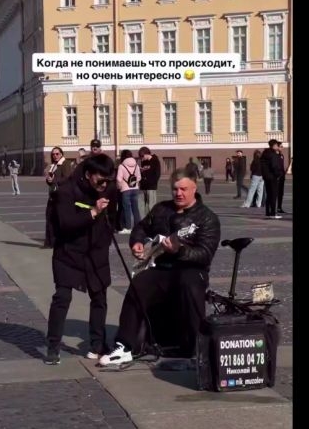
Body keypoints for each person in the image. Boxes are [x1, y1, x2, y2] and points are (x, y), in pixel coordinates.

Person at [100, 168, 221, 366]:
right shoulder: (161, 209)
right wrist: (137, 242)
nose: (178, 193)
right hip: (162, 267)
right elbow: (141, 227)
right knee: (139, 284)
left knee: (189, 285)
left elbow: (205, 253)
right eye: (175, 189)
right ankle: (125, 346)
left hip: (191, 268)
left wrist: (179, 250)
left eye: (183, 189)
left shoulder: (207, 217)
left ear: (194, 188)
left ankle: (197, 347)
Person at [45, 154, 117, 365]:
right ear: (88, 174)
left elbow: (113, 218)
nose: (104, 185)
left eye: (108, 180)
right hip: (68, 252)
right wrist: (93, 212)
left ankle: (97, 345)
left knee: (99, 297)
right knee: (62, 297)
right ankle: (53, 346)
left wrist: (104, 238)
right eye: (100, 180)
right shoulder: (67, 190)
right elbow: (65, 223)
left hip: (96, 252)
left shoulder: (109, 190)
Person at [43, 147, 75, 248]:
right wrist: (49, 180)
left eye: (57, 154)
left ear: (61, 154)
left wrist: (54, 180)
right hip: (53, 194)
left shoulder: (65, 164)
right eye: (53, 154)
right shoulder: (53, 165)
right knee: (49, 217)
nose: (55, 156)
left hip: (61, 195)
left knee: (58, 219)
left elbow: (67, 178)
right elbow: (51, 180)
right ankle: (49, 242)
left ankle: (57, 242)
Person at [116, 149, 142, 234]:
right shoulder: (136, 165)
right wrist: (134, 183)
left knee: (127, 209)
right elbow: (139, 177)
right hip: (135, 189)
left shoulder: (121, 166)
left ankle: (128, 227)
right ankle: (138, 227)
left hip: (125, 189)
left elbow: (119, 178)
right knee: (135, 209)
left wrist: (119, 186)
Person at [137, 146, 161, 219]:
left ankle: (152, 221)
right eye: (140, 157)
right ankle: (143, 221)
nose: (141, 158)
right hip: (143, 187)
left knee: (151, 206)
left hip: (151, 187)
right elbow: (143, 173)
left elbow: (157, 174)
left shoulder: (155, 161)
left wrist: (151, 182)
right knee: (141, 205)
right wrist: (141, 172)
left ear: (146, 154)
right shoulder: (143, 161)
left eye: (142, 156)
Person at [261, 140, 282, 219]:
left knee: (269, 194)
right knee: (273, 195)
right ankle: (273, 213)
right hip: (273, 177)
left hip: (266, 177)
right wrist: (278, 174)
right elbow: (274, 166)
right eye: (277, 145)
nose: (277, 146)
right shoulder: (273, 154)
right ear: (273, 145)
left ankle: (268, 212)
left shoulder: (265, 153)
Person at [276, 143, 288, 214]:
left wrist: (285, 171)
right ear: (277, 147)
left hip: (282, 176)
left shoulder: (282, 155)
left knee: (281, 193)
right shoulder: (275, 155)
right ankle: (273, 208)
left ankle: (279, 208)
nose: (282, 148)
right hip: (277, 177)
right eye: (281, 146)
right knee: (275, 193)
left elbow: (281, 166)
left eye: (282, 146)